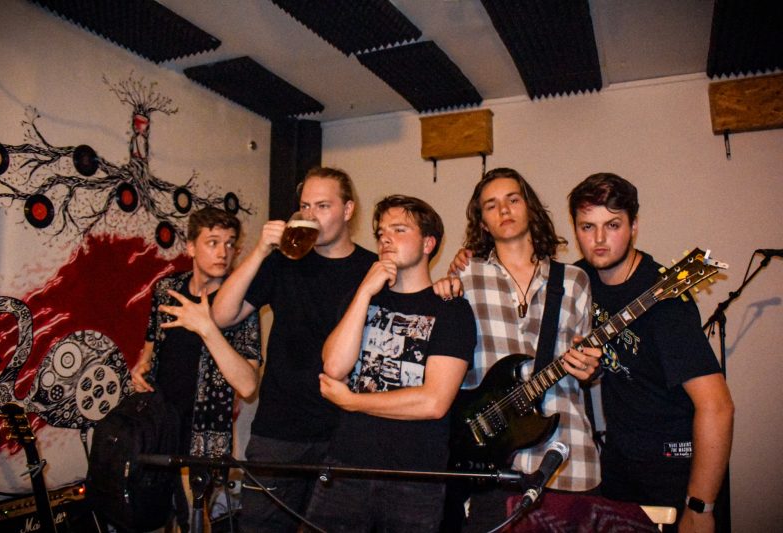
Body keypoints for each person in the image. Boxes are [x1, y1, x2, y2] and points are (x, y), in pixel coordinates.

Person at [211, 167, 377, 532]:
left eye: (323, 206)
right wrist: (260, 250)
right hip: (279, 428)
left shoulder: (371, 269)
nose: (310, 215)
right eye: (305, 206)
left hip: (345, 431)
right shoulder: (283, 261)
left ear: (348, 210)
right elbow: (222, 315)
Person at [568, 173, 734, 533]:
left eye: (612, 225)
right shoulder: (579, 280)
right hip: (618, 459)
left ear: (634, 227)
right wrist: (466, 260)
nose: (599, 239)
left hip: (673, 466)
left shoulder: (665, 300)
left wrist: (700, 508)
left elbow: (717, 406)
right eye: (587, 226)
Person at [438, 168, 601, 531]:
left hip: (567, 455)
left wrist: (590, 368)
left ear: (529, 207)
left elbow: (587, 364)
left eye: (513, 199)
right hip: (492, 459)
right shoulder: (464, 278)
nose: (504, 210)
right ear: (482, 222)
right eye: (491, 205)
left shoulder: (574, 280)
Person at [304, 195, 476, 532]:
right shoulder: (361, 299)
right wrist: (364, 293)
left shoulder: (450, 310)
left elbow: (433, 402)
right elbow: (334, 367)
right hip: (346, 466)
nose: (385, 239)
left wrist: (353, 401)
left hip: (414, 476)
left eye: (399, 230)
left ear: (428, 243)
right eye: (381, 233)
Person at [130, 206, 262, 525]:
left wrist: (208, 328)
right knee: (156, 513)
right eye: (213, 242)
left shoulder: (240, 304)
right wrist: (141, 368)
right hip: (160, 423)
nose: (223, 252)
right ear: (190, 247)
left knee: (195, 518)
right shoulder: (167, 289)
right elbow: (150, 347)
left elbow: (248, 386)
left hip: (205, 431)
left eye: (230, 243)